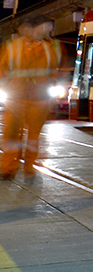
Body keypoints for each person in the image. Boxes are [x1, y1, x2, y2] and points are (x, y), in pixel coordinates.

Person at [1, 16, 64, 180]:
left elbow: (59, 69)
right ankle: (8, 168)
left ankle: (29, 168)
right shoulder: (13, 47)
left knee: (33, 137)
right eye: (45, 27)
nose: (47, 30)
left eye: (49, 28)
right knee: (12, 135)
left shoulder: (51, 47)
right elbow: (2, 70)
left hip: (39, 98)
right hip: (16, 97)